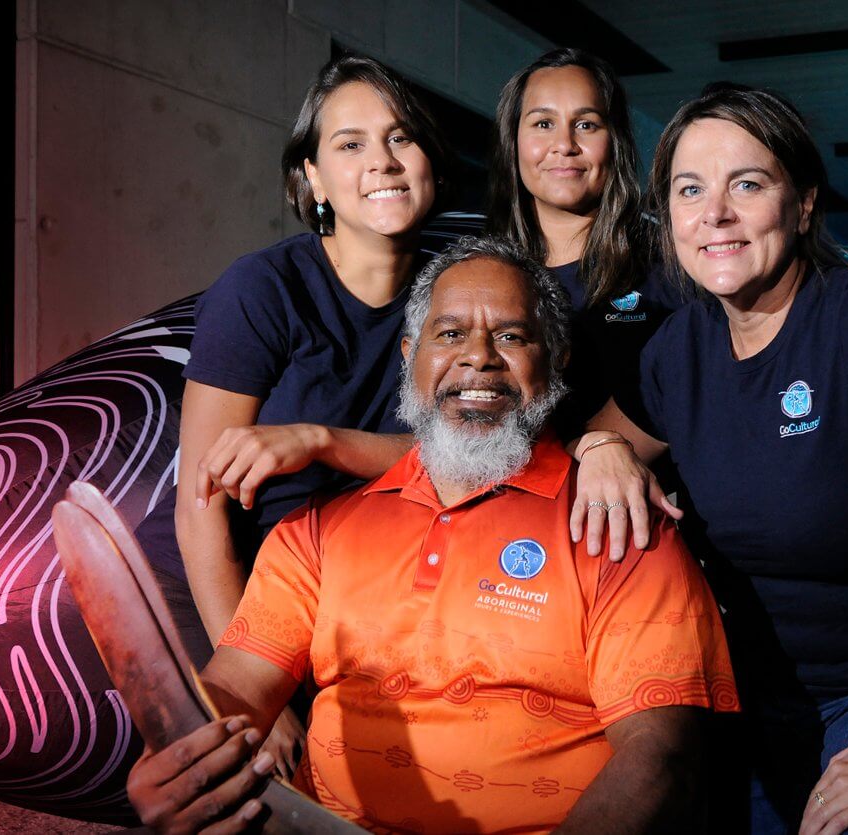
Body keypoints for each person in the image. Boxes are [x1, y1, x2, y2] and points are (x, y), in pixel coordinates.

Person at [125, 237, 738, 834]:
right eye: (450, 334)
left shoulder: (617, 526)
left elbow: (662, 756)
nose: (478, 356)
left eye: (511, 335)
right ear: (410, 354)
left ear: (556, 359)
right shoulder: (316, 530)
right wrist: (181, 755)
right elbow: (237, 685)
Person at [570, 84, 848, 835]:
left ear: (804, 204)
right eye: (691, 189)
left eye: (746, 184)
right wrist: (603, 446)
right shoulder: (677, 352)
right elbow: (592, 438)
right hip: (754, 696)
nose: (715, 212)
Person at [131, 54, 452, 775]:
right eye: (350, 144)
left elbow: (467, 458)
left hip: (375, 576)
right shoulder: (261, 290)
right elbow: (199, 504)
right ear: (312, 179)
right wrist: (251, 682)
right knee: (253, 777)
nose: (383, 161)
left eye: (402, 137)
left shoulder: (455, 287)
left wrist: (321, 441)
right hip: (236, 580)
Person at [487, 49, 686, 479]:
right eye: (543, 123)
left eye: (586, 124)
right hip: (516, 510)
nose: (564, 144)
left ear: (614, 140)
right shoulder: (485, 274)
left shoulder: (672, 263)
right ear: (513, 140)